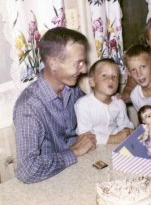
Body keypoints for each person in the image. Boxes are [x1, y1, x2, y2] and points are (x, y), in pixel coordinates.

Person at [13, 27, 96, 184]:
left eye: (84, 62)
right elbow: (26, 170)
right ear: (53, 63)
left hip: (78, 171)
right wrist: (73, 152)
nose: (84, 69)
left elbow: (92, 110)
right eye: (78, 63)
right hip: (49, 183)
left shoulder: (72, 88)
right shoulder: (29, 106)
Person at [74, 58, 134, 144]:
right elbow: (85, 136)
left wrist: (127, 130)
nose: (110, 80)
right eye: (104, 75)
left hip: (115, 146)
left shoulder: (119, 103)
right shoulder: (83, 105)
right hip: (92, 149)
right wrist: (113, 139)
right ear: (92, 82)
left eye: (114, 76)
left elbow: (125, 124)